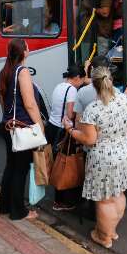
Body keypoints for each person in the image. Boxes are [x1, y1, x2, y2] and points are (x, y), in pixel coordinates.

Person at [62, 67, 127, 248]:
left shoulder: (93, 109)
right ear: (110, 80)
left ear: (94, 85)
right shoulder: (126, 100)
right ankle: (112, 231)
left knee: (105, 199)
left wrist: (70, 130)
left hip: (104, 159)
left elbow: (89, 140)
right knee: (118, 193)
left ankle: (103, 237)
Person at [0, 38, 44, 220]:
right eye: (27, 46)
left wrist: (8, 119)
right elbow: (30, 104)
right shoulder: (22, 71)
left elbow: (1, 100)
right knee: (21, 170)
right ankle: (18, 212)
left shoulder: (5, 71)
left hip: (8, 126)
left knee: (11, 167)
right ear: (24, 51)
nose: (29, 48)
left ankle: (5, 206)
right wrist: (39, 127)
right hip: (22, 129)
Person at [46, 65, 86, 211]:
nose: (82, 83)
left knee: (57, 163)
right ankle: (61, 201)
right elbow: (70, 114)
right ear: (76, 78)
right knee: (64, 165)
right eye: (82, 80)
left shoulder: (59, 86)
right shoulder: (72, 90)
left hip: (51, 127)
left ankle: (58, 197)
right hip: (62, 131)